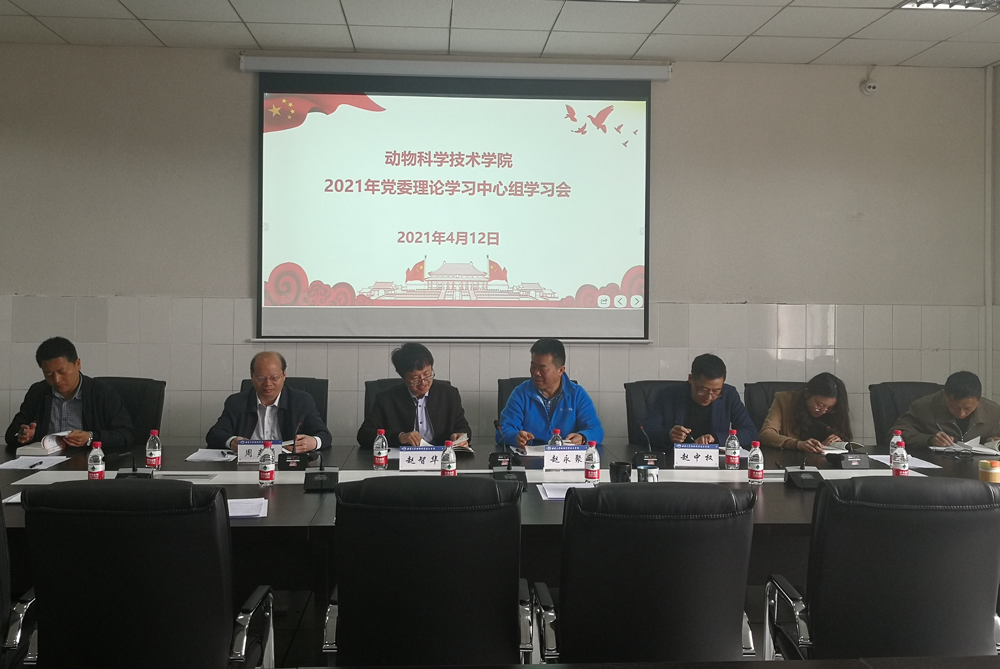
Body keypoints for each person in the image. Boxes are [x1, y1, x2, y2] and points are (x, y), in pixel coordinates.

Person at [4, 337, 134, 452]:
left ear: (78, 364)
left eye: (62, 372)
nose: (56, 380)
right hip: (45, 462)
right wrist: (24, 435)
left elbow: (127, 435)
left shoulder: (102, 393)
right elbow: (11, 434)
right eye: (48, 373)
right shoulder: (38, 392)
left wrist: (91, 437)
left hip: (88, 461)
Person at [206, 351, 331, 451]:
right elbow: (214, 434)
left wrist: (313, 442)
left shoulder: (302, 401)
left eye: (274, 378)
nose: (268, 383)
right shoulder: (237, 402)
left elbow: (324, 435)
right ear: (252, 376)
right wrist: (232, 441)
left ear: (284, 375)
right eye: (261, 378)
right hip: (247, 464)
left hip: (287, 464)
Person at [357, 342, 471, 448]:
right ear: (403, 377)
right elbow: (365, 435)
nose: (423, 382)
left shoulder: (449, 395)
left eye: (427, 374)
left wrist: (459, 436)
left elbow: (463, 427)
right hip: (402, 459)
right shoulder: (386, 399)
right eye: (415, 378)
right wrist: (400, 437)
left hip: (442, 457)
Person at [497, 338, 604, 448]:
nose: (536, 373)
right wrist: (515, 437)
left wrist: (583, 437)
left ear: (561, 370)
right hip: (529, 456)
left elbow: (596, 430)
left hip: (565, 456)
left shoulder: (577, 395)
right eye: (533, 366)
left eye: (543, 368)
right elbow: (503, 431)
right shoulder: (521, 393)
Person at [646, 353, 757, 448]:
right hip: (674, 459)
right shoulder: (667, 395)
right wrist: (669, 435)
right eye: (703, 390)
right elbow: (646, 433)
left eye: (716, 391)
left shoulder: (729, 394)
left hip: (714, 461)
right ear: (691, 379)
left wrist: (716, 437)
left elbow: (751, 433)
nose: (709, 397)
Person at [891, 371, 1000, 447]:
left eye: (968, 408)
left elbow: (995, 436)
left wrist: (992, 442)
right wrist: (929, 439)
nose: (961, 414)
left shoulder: (993, 411)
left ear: (979, 399)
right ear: (945, 395)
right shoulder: (924, 407)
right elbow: (894, 435)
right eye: (954, 407)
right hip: (935, 465)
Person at [759, 373, 852, 453]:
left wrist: (838, 442)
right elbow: (766, 434)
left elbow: (846, 436)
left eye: (830, 408)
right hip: (790, 460)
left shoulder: (835, 412)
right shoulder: (784, 400)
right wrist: (797, 444)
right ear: (807, 393)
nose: (823, 411)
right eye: (819, 405)